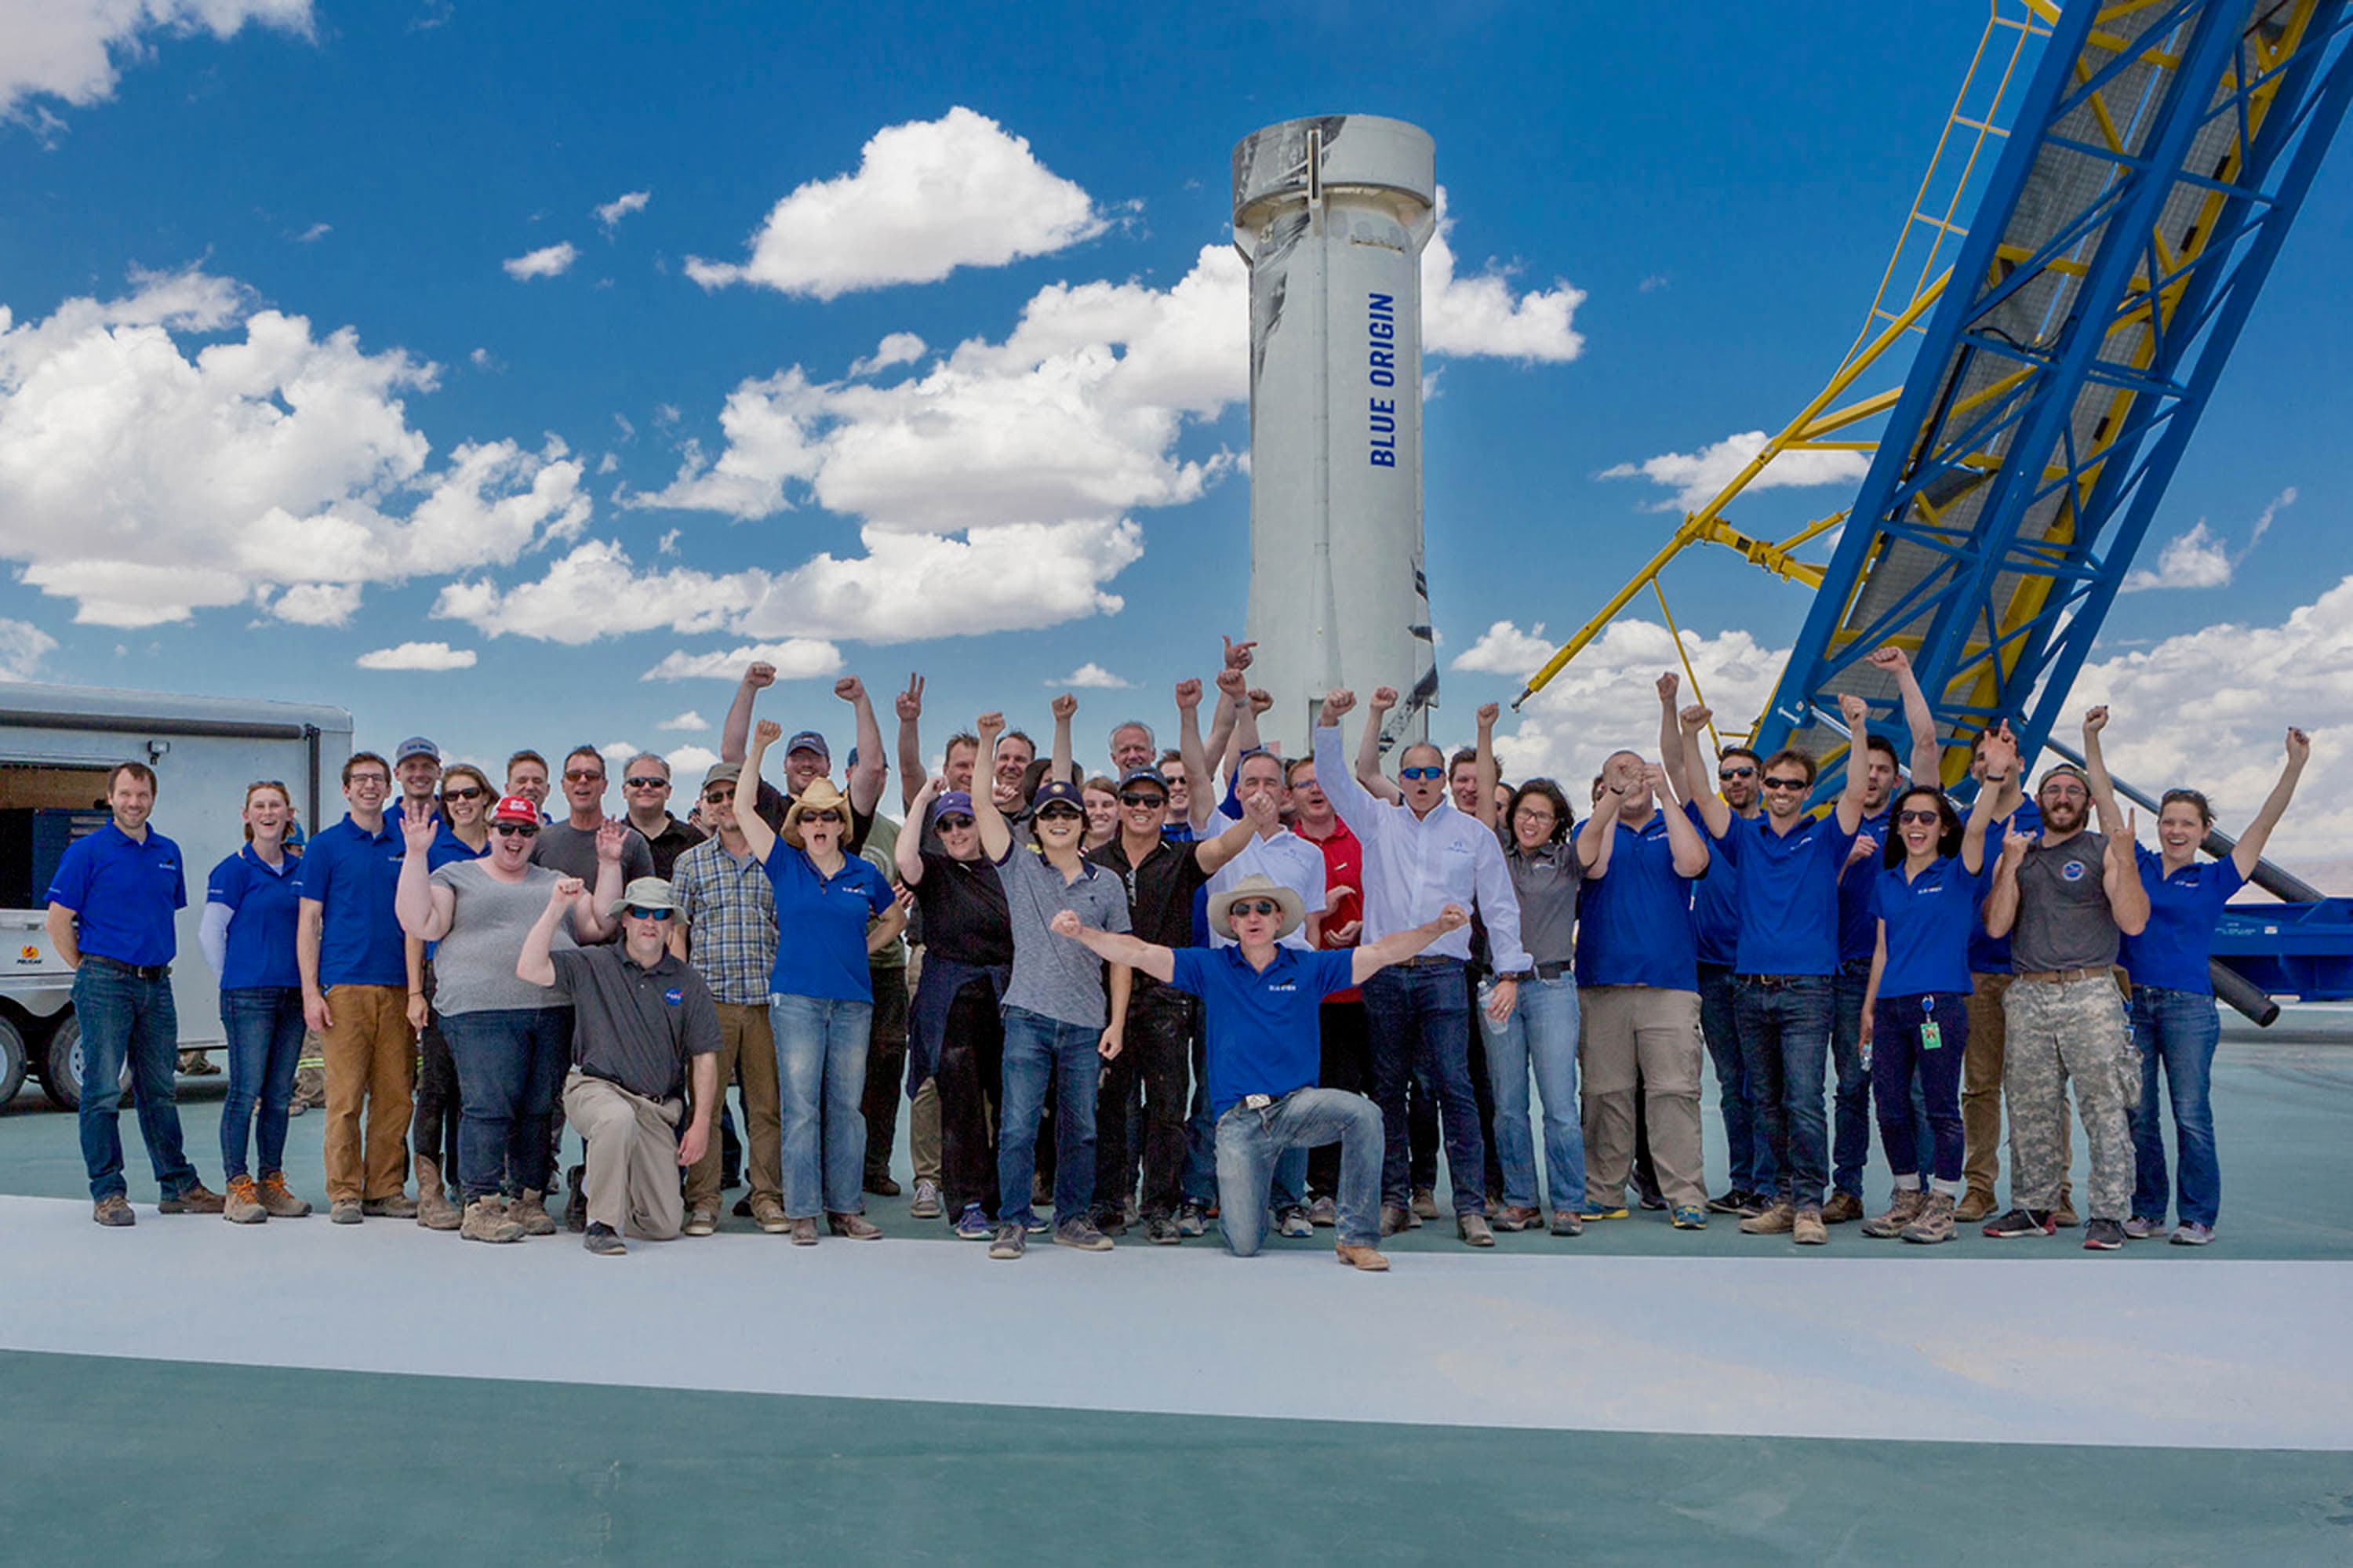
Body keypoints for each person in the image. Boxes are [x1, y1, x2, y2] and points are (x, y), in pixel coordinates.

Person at [1053, 878, 1482, 1270]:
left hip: (1297, 1107)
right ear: (1232, 924)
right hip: (1238, 1121)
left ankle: (1355, 1238)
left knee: (1364, 1114)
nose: (1253, 917)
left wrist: (1437, 929)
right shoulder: (1211, 967)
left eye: (1263, 908)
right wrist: (1082, 934)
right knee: (1243, 1244)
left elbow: (1384, 951)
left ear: (1279, 920)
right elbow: (1140, 953)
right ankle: (1252, 1204)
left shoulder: (1309, 968)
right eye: (1243, 911)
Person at [1312, 686, 1530, 1247]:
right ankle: (1393, 1200)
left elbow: (1501, 906)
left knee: (1455, 1086)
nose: (1424, 780)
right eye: (1413, 772)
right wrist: (1331, 720)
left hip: (1443, 974)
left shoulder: (1473, 834)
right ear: (1400, 778)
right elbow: (1335, 775)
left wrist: (1509, 972)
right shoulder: (1376, 821)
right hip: (1387, 975)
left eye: (1434, 771)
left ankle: (1471, 1206)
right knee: (1388, 1088)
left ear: (1443, 778)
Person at [1683, 691, 1873, 1246]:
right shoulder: (1744, 839)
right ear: (1762, 788)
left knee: (1805, 1098)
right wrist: (1692, 735)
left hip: (1809, 990)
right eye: (1774, 783)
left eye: (1794, 784)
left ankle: (1810, 1203)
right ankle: (1783, 1196)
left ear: (1809, 792)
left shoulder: (1824, 839)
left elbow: (1858, 791)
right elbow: (1701, 792)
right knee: (1765, 1098)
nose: (1782, 792)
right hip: (1749, 988)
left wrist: (1857, 730)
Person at [397, 794, 621, 1242]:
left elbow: (600, 926)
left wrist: (610, 863)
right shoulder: (454, 875)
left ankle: (529, 1197)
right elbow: (422, 922)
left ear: (535, 836)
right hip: (480, 1011)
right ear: (490, 831)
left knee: (540, 1108)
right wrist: (416, 854)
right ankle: (480, 1204)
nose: (514, 838)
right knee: (488, 1107)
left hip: (552, 1007)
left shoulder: (555, 880)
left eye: (525, 830)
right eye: (506, 829)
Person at [1090, 687, 1267, 1243]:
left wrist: (1255, 817)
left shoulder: (1183, 857)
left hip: (1169, 999)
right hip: (1108, 999)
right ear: (1119, 806)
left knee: (1167, 1106)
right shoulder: (1096, 864)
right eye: (1133, 801)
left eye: (1152, 801)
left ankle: (1161, 1205)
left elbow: (1225, 849)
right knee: (1113, 1105)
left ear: (1165, 807)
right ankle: (1110, 1200)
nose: (1143, 809)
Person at [2120, 727, 2308, 1245]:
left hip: (2188, 1010)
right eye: (2169, 821)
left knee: (2190, 1113)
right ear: (2158, 826)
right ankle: (2148, 1209)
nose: (2176, 830)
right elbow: (2106, 807)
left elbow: (2263, 826)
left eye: (2188, 823)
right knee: (2137, 1112)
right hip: (2133, 1004)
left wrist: (2293, 765)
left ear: (2203, 831)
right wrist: (2092, 741)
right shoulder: (2135, 863)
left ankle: (2198, 1215)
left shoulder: (2215, 878)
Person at [1980, 707, 2150, 1250]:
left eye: (2071, 791)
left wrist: (2122, 860)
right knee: (2029, 1104)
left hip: (2091, 991)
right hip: (2029, 992)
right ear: (2040, 800)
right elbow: (1998, 925)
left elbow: (2133, 920)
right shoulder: (2020, 852)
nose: (2061, 797)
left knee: (2104, 1103)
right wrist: (2008, 865)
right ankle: (2033, 1204)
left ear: (2084, 804)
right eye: (2052, 789)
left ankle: (2110, 1212)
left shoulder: (2103, 850)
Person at [734, 719, 907, 1244]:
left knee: (847, 1110)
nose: (819, 822)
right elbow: (743, 809)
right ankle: (803, 1210)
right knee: (802, 1107)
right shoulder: (784, 864)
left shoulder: (864, 873)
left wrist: (865, 947)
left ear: (839, 822)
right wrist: (759, 747)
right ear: (799, 823)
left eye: (829, 815)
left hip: (853, 1002)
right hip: (798, 1002)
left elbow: (896, 919)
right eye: (809, 815)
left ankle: (846, 1208)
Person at [970, 710, 1133, 1259]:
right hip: (1028, 1018)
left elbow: (1121, 958)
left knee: (1081, 1129)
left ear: (1083, 823)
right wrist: (989, 741)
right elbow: (981, 807)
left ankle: (1072, 1217)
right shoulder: (1018, 869)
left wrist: (1116, 1022)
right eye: (1049, 813)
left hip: (1087, 1024)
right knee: (1016, 1127)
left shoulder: (1107, 883)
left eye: (1069, 812)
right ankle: (1013, 1221)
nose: (1059, 819)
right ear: (1035, 825)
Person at [46, 761, 224, 1224]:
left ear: (153, 798)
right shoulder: (87, 852)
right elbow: (57, 921)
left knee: (161, 1090)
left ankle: (177, 1185)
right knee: (103, 1090)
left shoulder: (168, 852)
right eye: (125, 794)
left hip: (156, 984)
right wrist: (88, 970)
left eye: (142, 795)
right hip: (105, 981)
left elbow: (162, 910)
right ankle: (108, 1193)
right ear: (111, 797)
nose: (134, 802)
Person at [1856, 731, 2009, 1243]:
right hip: (1893, 1007)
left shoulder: (1959, 872)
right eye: (1908, 818)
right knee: (1891, 1104)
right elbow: (1882, 948)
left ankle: (1942, 1202)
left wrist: (1992, 777)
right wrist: (1868, 1008)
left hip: (1938, 1005)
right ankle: (1907, 1196)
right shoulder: (1887, 880)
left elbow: (1980, 826)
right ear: (1897, 827)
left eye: (1928, 817)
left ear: (1944, 827)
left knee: (1941, 1104)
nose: (1917, 825)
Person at [519, 875, 722, 1256]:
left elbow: (705, 1057)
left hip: (655, 1106)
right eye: (640, 912)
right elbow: (530, 968)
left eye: (660, 914)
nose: (650, 922)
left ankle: (596, 1178)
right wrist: (555, 909)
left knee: (663, 1226)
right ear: (624, 919)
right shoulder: (592, 963)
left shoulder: (689, 982)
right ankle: (602, 1224)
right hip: (595, 1089)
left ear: (670, 925)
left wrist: (700, 1125)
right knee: (616, 1118)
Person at [1822, 647, 1944, 1222]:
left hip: (1907, 980)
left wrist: (1902, 674)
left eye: (1880, 771)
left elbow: (1925, 746)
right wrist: (1844, 863)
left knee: (1916, 1093)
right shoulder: (1833, 827)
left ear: (1893, 781)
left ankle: (1920, 1190)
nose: (1871, 778)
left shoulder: (1911, 826)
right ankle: (1846, 1189)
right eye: (1862, 769)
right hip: (1846, 976)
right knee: (1852, 1086)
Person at [1572, 743, 1713, 1232]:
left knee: (1674, 1092)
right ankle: (1604, 1191)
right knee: (1604, 1093)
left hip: (1669, 984)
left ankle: (1685, 1195)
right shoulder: (1592, 828)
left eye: (1635, 771)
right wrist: (1611, 798)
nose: (1629, 778)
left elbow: (1693, 863)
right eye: (1617, 772)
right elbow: (1594, 865)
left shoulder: (1668, 825)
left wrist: (1666, 795)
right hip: (1602, 983)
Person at [1662, 668, 1768, 1215]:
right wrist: (1677, 715)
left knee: (1766, 1083)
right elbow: (1681, 771)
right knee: (1733, 1082)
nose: (1736, 781)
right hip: (1711, 968)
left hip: (1760, 970)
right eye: (1728, 774)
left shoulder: (1776, 833)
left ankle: (1776, 1181)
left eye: (1746, 773)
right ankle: (1747, 1181)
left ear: (1762, 778)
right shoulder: (1707, 826)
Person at [297, 751, 419, 1224]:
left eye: (377, 779)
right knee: (345, 1097)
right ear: (346, 789)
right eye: (360, 779)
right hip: (344, 987)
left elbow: (414, 920)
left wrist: (414, 990)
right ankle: (346, 1191)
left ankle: (385, 1189)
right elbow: (309, 920)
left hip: (396, 987)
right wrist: (311, 991)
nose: (369, 786)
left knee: (395, 1097)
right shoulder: (325, 847)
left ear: (389, 789)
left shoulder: (405, 845)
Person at [671, 762, 789, 1236]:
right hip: (711, 1001)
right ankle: (703, 1200)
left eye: (732, 794)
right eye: (714, 796)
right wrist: (683, 996)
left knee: (766, 1107)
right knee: (706, 1106)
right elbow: (679, 932)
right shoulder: (691, 863)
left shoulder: (778, 859)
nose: (724, 804)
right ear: (704, 805)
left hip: (766, 1001)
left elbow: (788, 927)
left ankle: (767, 1197)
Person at [897, 777, 1015, 1239]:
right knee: (962, 1106)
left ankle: (1009, 1201)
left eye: (964, 821)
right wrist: (924, 800)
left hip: (1005, 996)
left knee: (1012, 1102)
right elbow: (904, 859)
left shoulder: (1009, 871)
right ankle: (967, 1204)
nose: (956, 831)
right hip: (951, 1002)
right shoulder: (935, 870)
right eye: (946, 825)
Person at [1956, 724, 2064, 1224]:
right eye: (1981, 757)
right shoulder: (1961, 823)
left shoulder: (2045, 820)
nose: (1989, 763)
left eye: (1999, 755)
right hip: (1978, 971)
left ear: (2020, 763)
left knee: (2044, 1087)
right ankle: (1980, 1187)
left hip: (2034, 972)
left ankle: (2054, 1188)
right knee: (1980, 1086)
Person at [1479, 776, 1593, 1231]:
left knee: (1559, 1103)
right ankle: (1521, 1199)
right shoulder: (1493, 857)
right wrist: (1485, 730)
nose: (1531, 822)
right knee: (1507, 1102)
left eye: (1542, 816)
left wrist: (1619, 793)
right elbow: (1487, 796)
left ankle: (1568, 1201)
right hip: (1498, 988)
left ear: (1556, 823)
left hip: (1551, 988)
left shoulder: (1567, 860)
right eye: (1525, 812)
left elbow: (1598, 829)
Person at [201, 780, 312, 1224]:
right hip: (248, 995)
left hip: (291, 994)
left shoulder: (300, 870)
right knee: (245, 1092)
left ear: (289, 815)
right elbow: (210, 935)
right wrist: (232, 980)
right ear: (247, 816)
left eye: (276, 806)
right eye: (259, 806)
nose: (268, 813)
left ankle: (272, 1182)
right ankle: (237, 1186)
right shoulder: (233, 870)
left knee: (279, 1095)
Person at [406, 762, 493, 1231]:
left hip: (490, 983)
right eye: (452, 795)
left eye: (470, 793)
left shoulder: (505, 844)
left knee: (474, 1089)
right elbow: (414, 925)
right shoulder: (432, 846)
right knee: (436, 1086)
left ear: (485, 797)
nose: (462, 801)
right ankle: (430, 1189)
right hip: (443, 980)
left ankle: (467, 1182)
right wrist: (416, 990)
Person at [1287, 754, 1369, 1228]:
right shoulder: (1285, 845)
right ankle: (1320, 1190)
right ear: (1289, 796)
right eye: (1303, 784)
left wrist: (1364, 926)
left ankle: (1366, 1187)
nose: (1314, 791)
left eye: (1321, 782)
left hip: (1359, 989)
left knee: (1357, 1090)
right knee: (1310, 1091)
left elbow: (1388, 895)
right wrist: (1316, 919)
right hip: (1305, 996)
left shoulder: (1360, 837)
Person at [533, 746, 655, 910]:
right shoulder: (540, 840)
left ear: (604, 786)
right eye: (574, 776)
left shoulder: (631, 841)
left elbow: (646, 906)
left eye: (591, 776)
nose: (582, 781)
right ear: (563, 785)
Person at [618, 752, 707, 879]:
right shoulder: (609, 840)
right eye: (637, 782)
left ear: (668, 792)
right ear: (624, 791)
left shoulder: (695, 842)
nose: (647, 787)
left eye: (656, 782)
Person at [504, 751, 552, 817]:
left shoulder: (560, 827)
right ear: (507, 789)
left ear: (548, 789)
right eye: (522, 781)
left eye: (537, 781)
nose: (530, 787)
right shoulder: (491, 826)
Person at [1081, 776, 1121, 852]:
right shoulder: (1066, 856)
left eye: (1107, 805)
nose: (1099, 812)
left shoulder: (1133, 858)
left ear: (1120, 811)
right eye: (1090, 805)